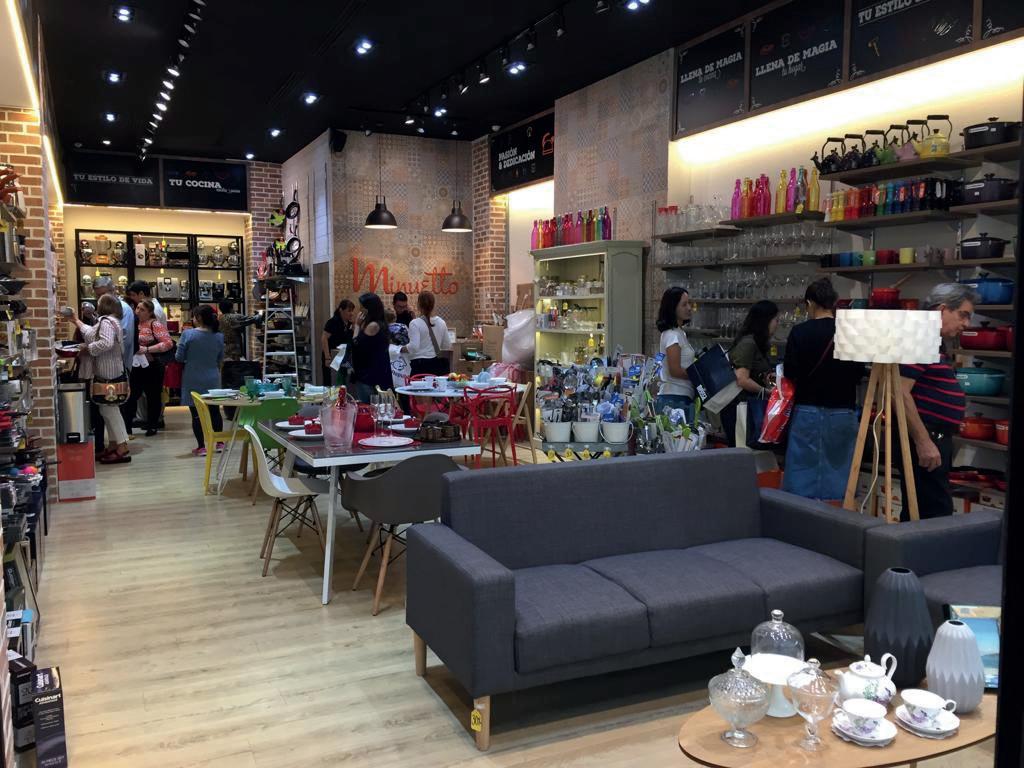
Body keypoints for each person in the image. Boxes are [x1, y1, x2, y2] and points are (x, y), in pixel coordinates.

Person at [899, 283, 977, 520]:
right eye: (963, 315)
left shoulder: (932, 340)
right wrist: (923, 441)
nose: (967, 324)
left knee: (930, 512)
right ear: (942, 309)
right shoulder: (922, 338)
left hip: (935, 437)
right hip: (927, 437)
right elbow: (900, 393)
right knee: (931, 515)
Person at [782, 278, 865, 501]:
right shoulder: (850, 333)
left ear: (810, 303)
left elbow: (790, 371)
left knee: (801, 471)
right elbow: (859, 373)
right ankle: (834, 517)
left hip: (807, 410)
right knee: (840, 470)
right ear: (833, 303)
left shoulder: (799, 332)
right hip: (843, 411)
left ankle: (800, 518)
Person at [64, 294, 131, 464]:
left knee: (109, 409)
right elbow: (91, 333)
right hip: (112, 370)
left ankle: (122, 446)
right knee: (107, 409)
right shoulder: (111, 321)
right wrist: (76, 320)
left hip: (107, 372)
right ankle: (115, 444)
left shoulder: (106, 321)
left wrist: (87, 349)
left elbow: (106, 343)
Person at [722, 300, 779, 446]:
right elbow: (742, 379)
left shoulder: (757, 343)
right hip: (740, 408)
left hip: (747, 407)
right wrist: (765, 391)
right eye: (775, 320)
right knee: (742, 449)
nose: (777, 324)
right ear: (765, 321)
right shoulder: (748, 343)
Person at [177, 305, 225, 456]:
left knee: (196, 413)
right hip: (213, 377)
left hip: (193, 377)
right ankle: (220, 442)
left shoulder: (188, 334)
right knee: (215, 412)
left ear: (198, 318)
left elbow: (179, 357)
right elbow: (220, 358)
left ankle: (201, 447)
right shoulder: (219, 336)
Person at [124, 300, 173, 437]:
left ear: (150, 312)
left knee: (153, 396)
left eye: (142, 310)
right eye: (137, 308)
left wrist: (147, 349)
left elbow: (168, 343)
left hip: (152, 366)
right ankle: (127, 428)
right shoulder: (132, 323)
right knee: (131, 396)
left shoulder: (155, 324)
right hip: (134, 366)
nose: (138, 311)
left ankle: (152, 425)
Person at [654, 286, 695, 418]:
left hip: (682, 395)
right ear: (673, 308)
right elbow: (675, 370)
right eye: (684, 304)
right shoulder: (672, 335)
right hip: (675, 398)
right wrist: (698, 375)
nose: (689, 308)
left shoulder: (679, 333)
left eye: (689, 303)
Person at [350, 292, 392, 402]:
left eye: (361, 307)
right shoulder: (380, 324)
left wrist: (357, 326)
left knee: (369, 407)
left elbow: (356, 344)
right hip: (376, 374)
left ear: (368, 309)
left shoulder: (373, 326)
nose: (359, 310)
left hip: (368, 377)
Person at [92, 276, 135, 372]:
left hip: (118, 365)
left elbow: (123, 339)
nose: (101, 298)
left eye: (103, 294)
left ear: (113, 290)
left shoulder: (123, 308)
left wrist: (91, 348)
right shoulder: (104, 307)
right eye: (98, 295)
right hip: (105, 364)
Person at [406, 291, 451, 376]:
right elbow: (447, 345)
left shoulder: (415, 323)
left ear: (418, 305)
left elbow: (413, 347)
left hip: (419, 366)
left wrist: (400, 349)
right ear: (433, 305)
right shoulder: (441, 322)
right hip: (436, 365)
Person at [321, 299, 355, 385]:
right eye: (349, 311)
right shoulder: (333, 322)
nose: (351, 313)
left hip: (344, 358)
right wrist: (327, 357)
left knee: (343, 382)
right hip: (332, 356)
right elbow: (324, 338)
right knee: (331, 382)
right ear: (341, 310)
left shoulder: (350, 324)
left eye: (352, 311)